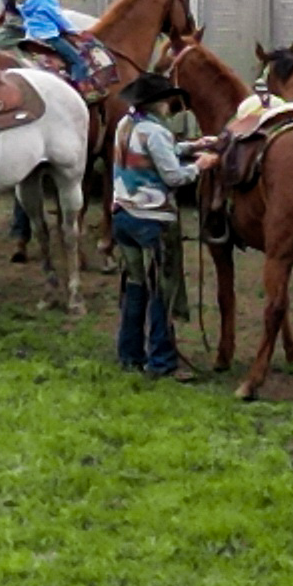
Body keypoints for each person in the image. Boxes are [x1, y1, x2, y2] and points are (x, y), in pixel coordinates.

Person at [108, 69, 200, 377]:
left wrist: (193, 146)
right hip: (153, 220)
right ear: (158, 102)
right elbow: (173, 175)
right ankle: (161, 360)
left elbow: (155, 152)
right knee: (163, 290)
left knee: (135, 286)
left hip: (123, 215)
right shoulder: (157, 132)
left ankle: (129, 354)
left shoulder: (126, 125)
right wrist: (200, 165)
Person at [3, 0, 102, 88]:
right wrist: (75, 31)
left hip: (31, 37)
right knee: (78, 61)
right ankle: (79, 89)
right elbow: (58, 18)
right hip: (50, 37)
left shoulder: (26, 1)